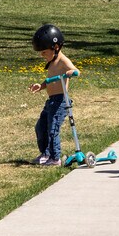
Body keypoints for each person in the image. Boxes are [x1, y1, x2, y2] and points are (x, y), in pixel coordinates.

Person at [28, 24, 80, 166]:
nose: (42, 55)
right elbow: (50, 79)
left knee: (53, 129)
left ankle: (55, 158)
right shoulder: (52, 62)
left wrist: (71, 72)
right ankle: (45, 154)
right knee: (41, 127)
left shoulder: (63, 60)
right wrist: (41, 86)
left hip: (61, 101)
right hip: (51, 101)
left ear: (55, 47)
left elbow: (75, 70)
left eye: (44, 52)